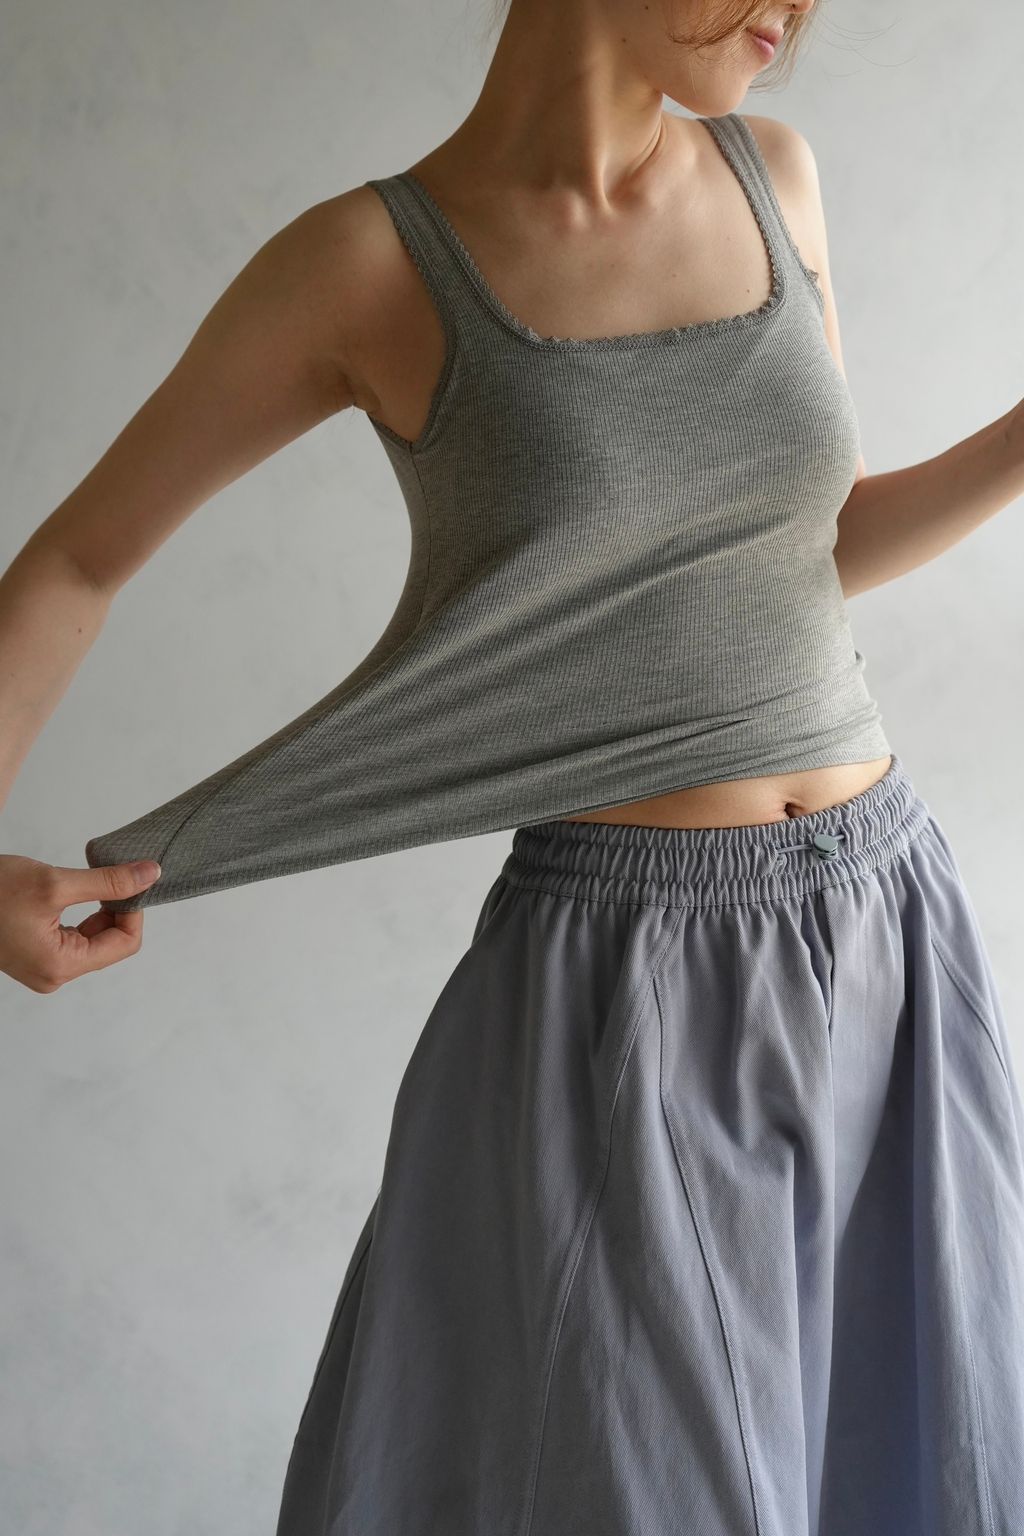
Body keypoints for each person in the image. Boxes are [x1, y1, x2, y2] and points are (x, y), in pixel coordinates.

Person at [2, 0, 1023, 1531]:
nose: (796, 9)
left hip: (890, 932)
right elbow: (80, 558)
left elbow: (793, 557)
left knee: (916, 1460)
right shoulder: (369, 264)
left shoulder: (777, 177)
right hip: (627, 978)